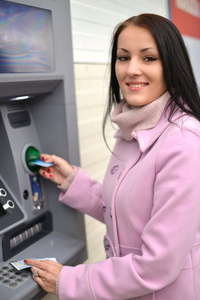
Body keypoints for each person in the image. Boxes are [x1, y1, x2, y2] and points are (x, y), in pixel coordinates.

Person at [24, 13, 200, 300]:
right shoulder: (132, 128)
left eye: (148, 58)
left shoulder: (184, 142)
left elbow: (157, 266)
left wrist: (71, 279)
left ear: (172, 64)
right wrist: (71, 180)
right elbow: (126, 214)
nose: (132, 69)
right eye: (123, 57)